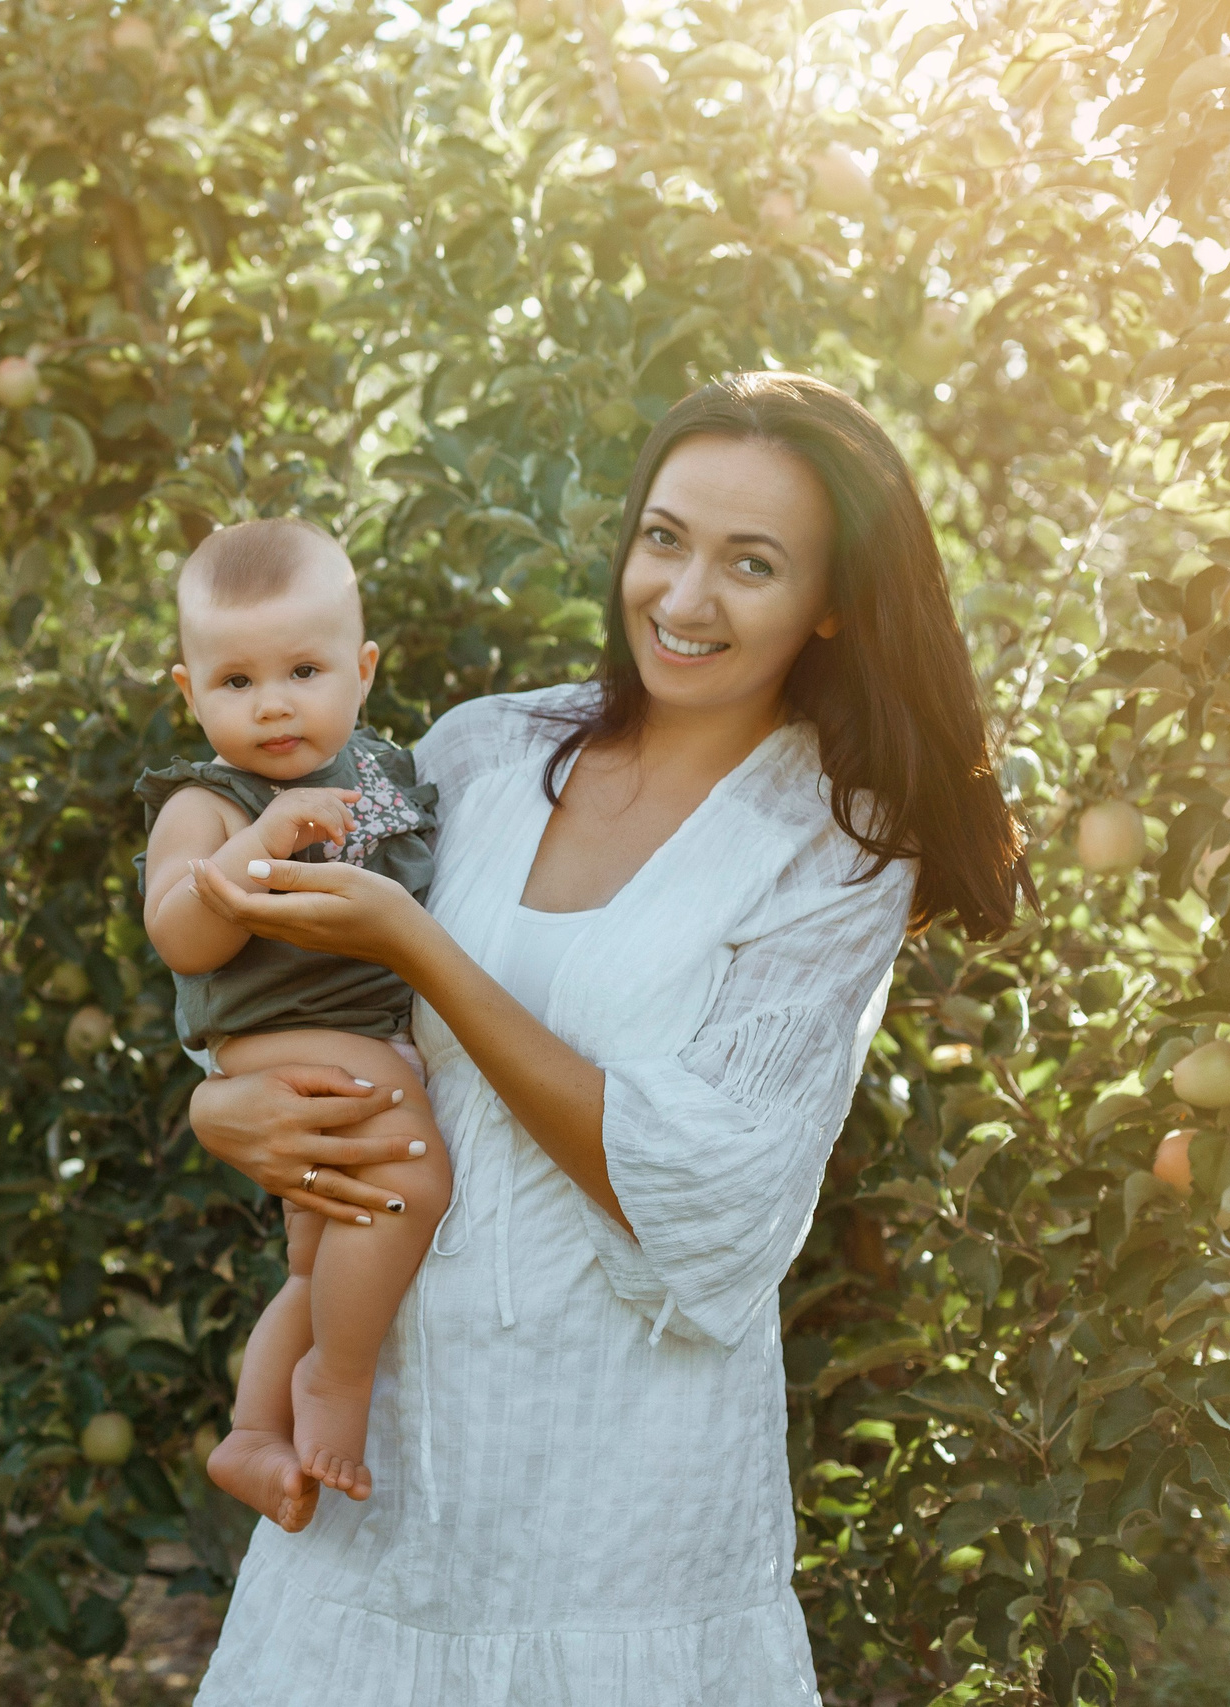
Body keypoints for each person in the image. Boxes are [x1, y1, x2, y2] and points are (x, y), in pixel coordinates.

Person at [179, 373, 1029, 1703]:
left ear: (835, 600)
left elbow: (716, 1197)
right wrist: (220, 1110)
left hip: (622, 1507)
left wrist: (422, 948)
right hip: (387, 1475)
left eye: (753, 562)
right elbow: (286, 978)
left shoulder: (837, 841)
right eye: (665, 537)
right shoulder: (477, 750)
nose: (686, 599)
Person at [136, 517, 452, 1535]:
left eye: (304, 670)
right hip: (287, 1038)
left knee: (320, 1258)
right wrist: (250, 856)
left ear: (361, 675)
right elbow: (179, 936)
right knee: (409, 1178)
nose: (272, 703)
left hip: (364, 1035)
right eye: (234, 683)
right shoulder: (207, 804)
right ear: (189, 694)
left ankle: (249, 1432)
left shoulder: (385, 777)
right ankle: (335, 1377)